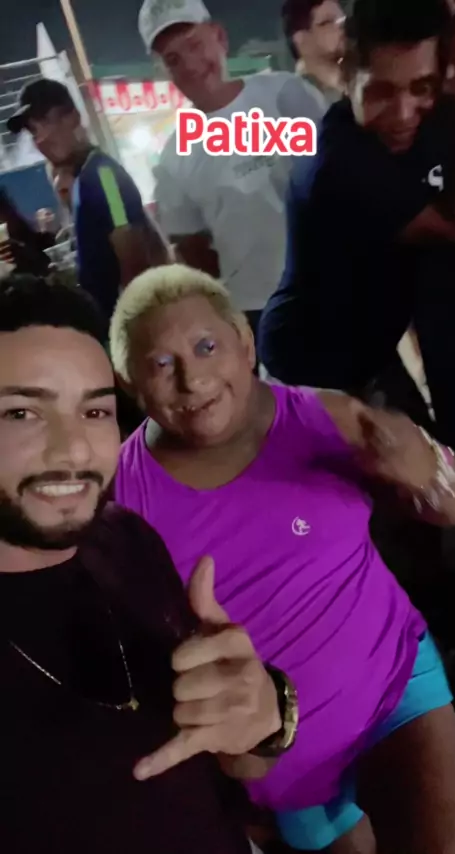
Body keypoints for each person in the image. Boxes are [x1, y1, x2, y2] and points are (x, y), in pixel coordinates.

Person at [111, 263, 455, 854]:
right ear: (130, 384)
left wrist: (425, 472)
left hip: (393, 688)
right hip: (277, 762)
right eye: (161, 363)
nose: (192, 378)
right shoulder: (124, 499)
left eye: (207, 347)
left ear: (245, 343)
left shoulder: (321, 416)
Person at [0, 270, 289, 854]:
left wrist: (264, 714)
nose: (74, 449)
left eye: (95, 412)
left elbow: (236, 760)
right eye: (21, 414)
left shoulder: (126, 541)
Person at [259, 0, 455, 460]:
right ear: (347, 73)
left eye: (422, 87)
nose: (403, 113)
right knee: (409, 487)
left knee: (438, 469)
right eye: (381, 91)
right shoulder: (338, 164)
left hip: (372, 355)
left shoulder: (428, 123)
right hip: (307, 371)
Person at [139, 0, 327, 341]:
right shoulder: (173, 159)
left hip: (336, 286)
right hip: (259, 315)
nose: (190, 65)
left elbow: (340, 182)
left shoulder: (287, 95)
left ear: (220, 37)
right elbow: (192, 251)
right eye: (173, 59)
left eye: (195, 45)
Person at [7, 79, 170, 323]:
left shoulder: (104, 176)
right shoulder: (84, 179)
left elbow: (132, 257)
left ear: (73, 117)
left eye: (46, 121)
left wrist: (130, 327)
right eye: (33, 130)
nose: (41, 138)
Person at [281, 0, 346, 104]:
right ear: (300, 38)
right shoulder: (295, 100)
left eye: (342, 20)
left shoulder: (358, 83)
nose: (342, 27)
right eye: (327, 22)